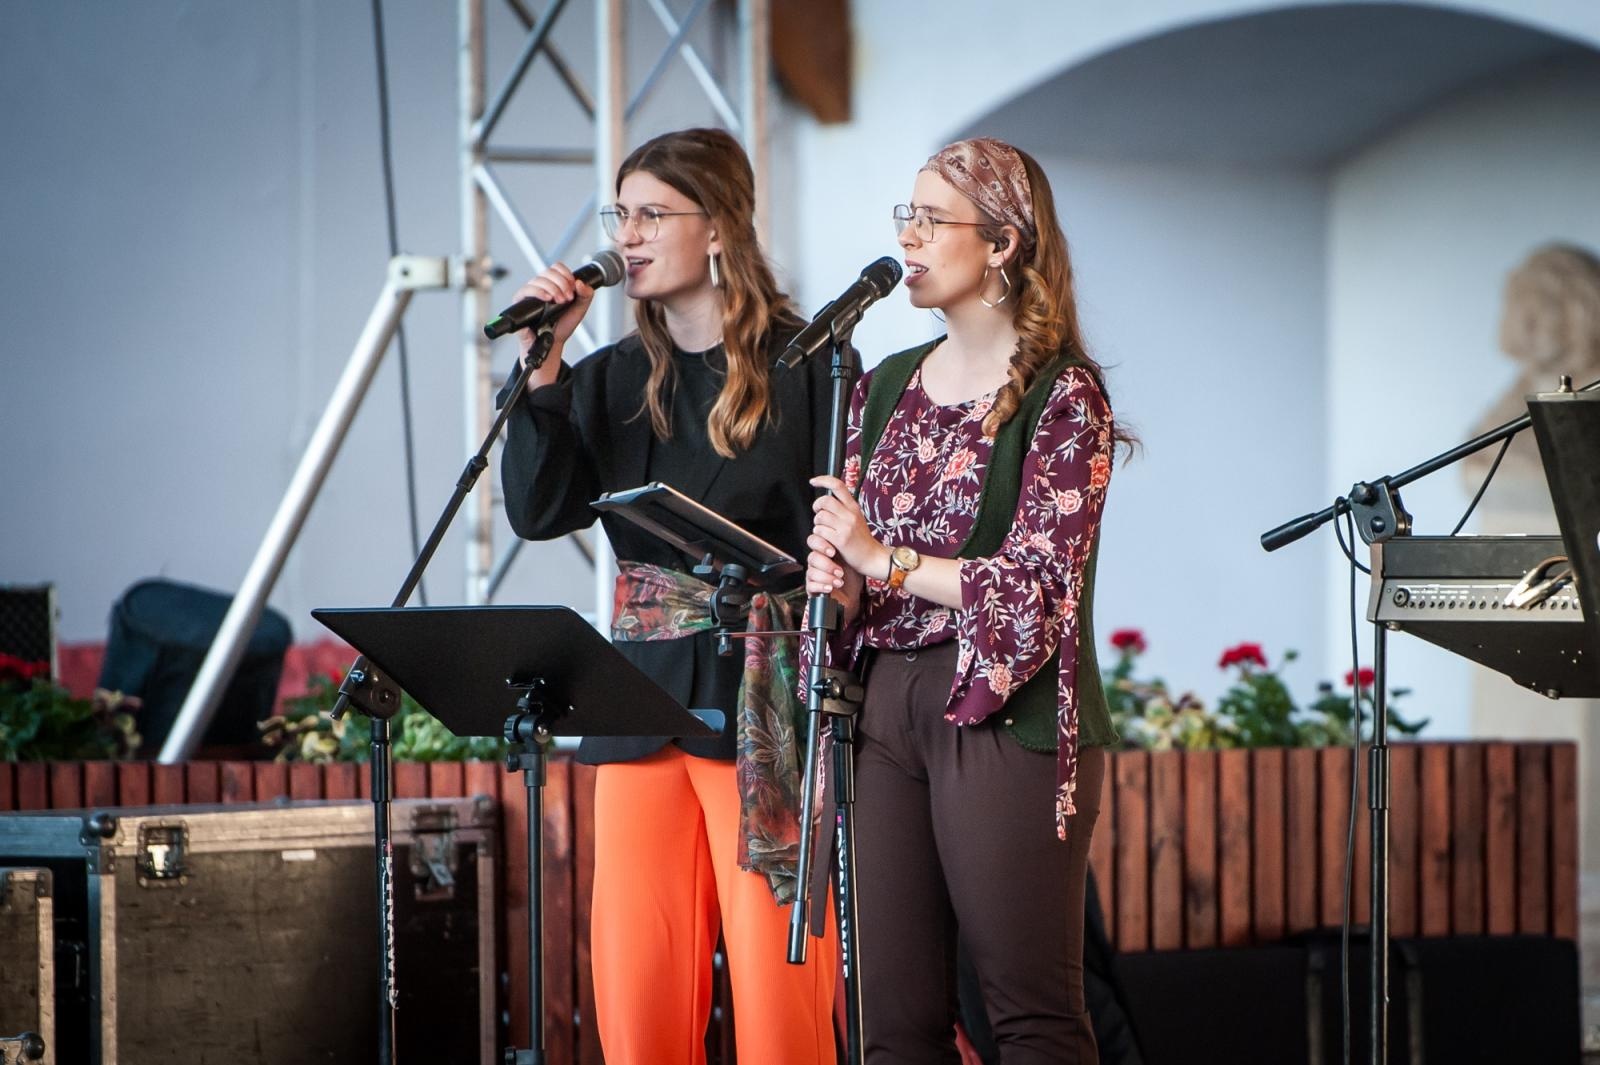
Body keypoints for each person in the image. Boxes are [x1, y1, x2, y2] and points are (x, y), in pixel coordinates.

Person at [498, 127, 838, 1064]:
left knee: (780, 1006)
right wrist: (543, 368)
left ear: (720, 226)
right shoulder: (606, 378)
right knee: (639, 997)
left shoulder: (807, 368)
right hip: (636, 699)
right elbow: (535, 508)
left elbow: (835, 550)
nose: (629, 235)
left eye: (653, 213)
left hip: (760, 706)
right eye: (621, 214)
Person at [804, 137, 1130, 1064]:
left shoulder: (1067, 397)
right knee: (891, 1023)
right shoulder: (881, 386)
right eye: (903, 216)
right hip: (884, 703)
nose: (908, 237)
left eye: (931, 219)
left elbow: (1039, 585)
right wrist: (846, 576)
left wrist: (888, 558)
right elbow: (859, 559)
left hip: (1006, 704)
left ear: (1002, 244)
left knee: (1028, 1011)